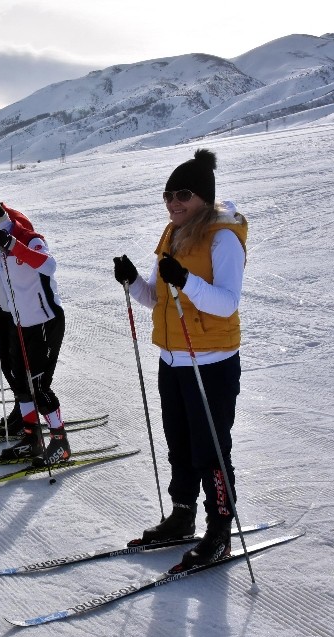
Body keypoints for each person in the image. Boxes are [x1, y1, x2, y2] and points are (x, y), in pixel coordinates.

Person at [113, 148, 247, 569]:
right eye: (168, 195)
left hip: (211, 360)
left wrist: (186, 280)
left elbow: (226, 303)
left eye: (183, 195)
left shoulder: (222, 238)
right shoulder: (171, 235)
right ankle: (182, 515)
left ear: (204, 198)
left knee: (210, 449)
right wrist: (133, 280)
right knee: (180, 445)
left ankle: (220, 530)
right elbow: (156, 298)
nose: (174, 203)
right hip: (173, 359)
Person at [0, 192, 70, 467]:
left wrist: (14, 245)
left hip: (44, 321)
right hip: (20, 322)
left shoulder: (29, 238)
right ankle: (32, 438)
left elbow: (49, 266)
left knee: (39, 386)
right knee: (20, 380)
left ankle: (60, 443)